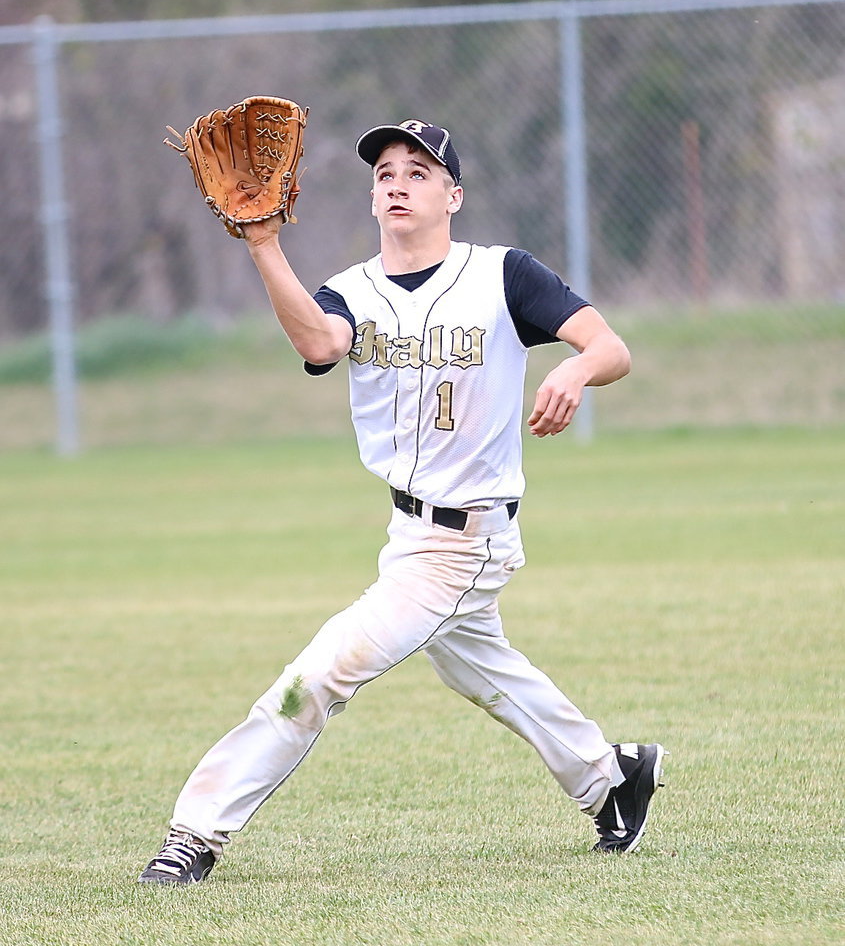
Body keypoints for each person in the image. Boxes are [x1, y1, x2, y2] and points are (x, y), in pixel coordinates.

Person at [139, 118, 665, 885]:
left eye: (419, 171)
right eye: (385, 171)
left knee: (319, 674)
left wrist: (574, 372)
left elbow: (610, 347)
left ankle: (195, 832)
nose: (396, 182)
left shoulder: (501, 275)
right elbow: (320, 344)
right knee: (480, 670)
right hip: (409, 531)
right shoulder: (350, 290)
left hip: (465, 538)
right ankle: (610, 777)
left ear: (452, 194)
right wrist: (263, 246)